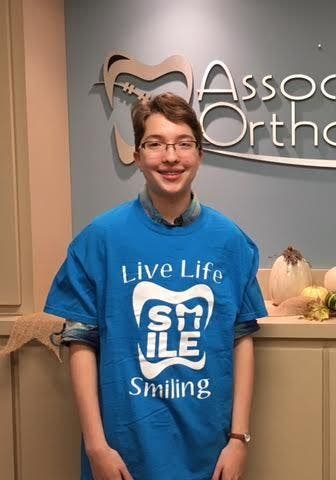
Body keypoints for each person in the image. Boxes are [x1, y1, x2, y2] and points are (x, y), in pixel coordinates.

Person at [44, 92, 267, 480]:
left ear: (200, 154)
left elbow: (242, 340)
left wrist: (238, 439)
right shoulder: (100, 240)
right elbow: (81, 344)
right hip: (123, 451)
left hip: (209, 450)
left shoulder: (231, 242)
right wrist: (96, 446)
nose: (170, 157)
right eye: (155, 144)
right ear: (137, 155)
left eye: (184, 143)